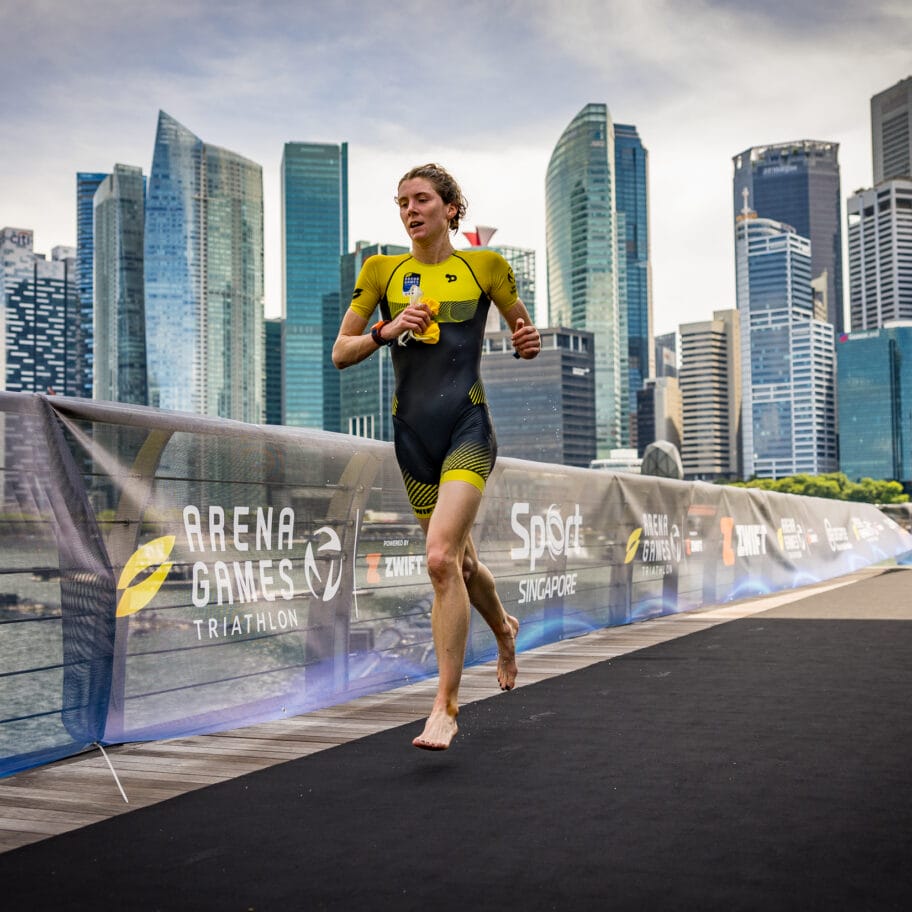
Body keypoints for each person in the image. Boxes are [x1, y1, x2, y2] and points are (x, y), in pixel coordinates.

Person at [332, 163, 541, 750]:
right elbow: (340, 352)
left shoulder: (486, 267)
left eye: (421, 199)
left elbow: (524, 334)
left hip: (466, 426)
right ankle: (504, 628)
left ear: (451, 209)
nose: (409, 210)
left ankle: (444, 707)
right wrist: (388, 328)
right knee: (462, 565)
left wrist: (527, 341)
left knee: (440, 559)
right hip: (411, 437)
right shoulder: (381, 272)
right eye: (401, 202)